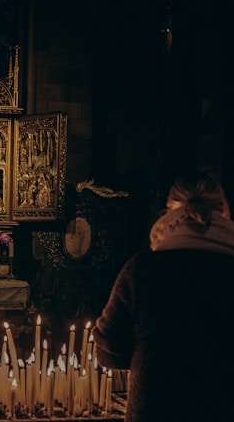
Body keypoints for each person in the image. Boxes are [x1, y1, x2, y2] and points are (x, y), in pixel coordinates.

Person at [92, 171, 234, 422]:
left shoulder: (142, 269)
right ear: (224, 210)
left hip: (156, 408)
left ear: (170, 212)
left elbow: (109, 348)